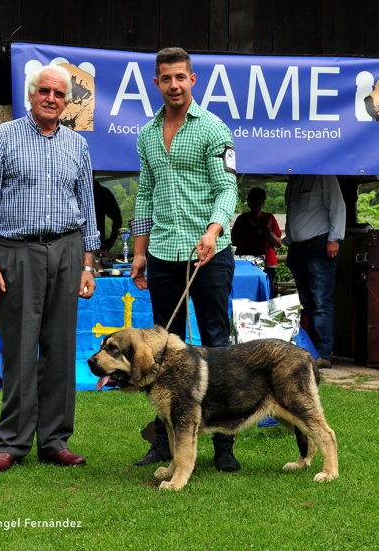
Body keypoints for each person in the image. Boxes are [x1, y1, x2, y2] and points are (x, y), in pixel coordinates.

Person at [0, 65, 100, 473]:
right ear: (30, 95)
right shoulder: (2, 138)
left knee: (61, 348)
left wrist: (87, 264)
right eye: (43, 91)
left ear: (67, 101)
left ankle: (56, 441)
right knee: (21, 350)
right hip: (17, 252)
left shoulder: (77, 145)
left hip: (67, 248)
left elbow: (88, 210)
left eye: (59, 94)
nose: (50, 98)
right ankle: (12, 443)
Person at [130, 47, 239, 472]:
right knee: (162, 355)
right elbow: (144, 194)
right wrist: (139, 253)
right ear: (157, 83)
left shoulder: (214, 128)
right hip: (162, 253)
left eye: (181, 77)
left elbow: (227, 189)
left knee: (216, 345)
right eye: (166, 79)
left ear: (193, 80)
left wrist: (213, 231)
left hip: (209, 254)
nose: (174, 85)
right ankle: (165, 442)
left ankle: (223, 445)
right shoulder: (146, 134)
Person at [283, 175, 346, 369]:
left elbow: (337, 206)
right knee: (309, 302)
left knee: (320, 301)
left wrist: (334, 238)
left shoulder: (324, 176)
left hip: (318, 245)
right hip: (298, 248)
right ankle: (313, 351)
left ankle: (323, 353)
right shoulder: (294, 180)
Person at [231, 187, 282, 292]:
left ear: (263, 203)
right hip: (244, 262)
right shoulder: (242, 219)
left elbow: (279, 244)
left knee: (266, 292)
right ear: (249, 203)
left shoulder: (270, 218)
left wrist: (270, 233)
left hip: (268, 262)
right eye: (254, 203)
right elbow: (234, 241)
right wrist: (250, 234)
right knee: (244, 291)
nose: (257, 206)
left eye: (259, 203)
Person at [93, 177, 123, 251]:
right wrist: (111, 240)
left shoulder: (101, 192)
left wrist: (111, 240)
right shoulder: (102, 191)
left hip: (97, 245)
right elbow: (117, 218)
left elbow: (117, 218)